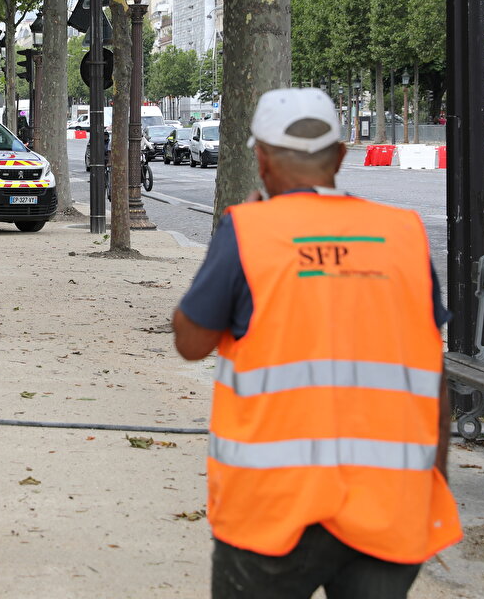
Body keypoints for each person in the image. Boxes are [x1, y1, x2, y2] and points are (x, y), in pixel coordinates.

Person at [171, 88, 460, 599]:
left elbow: (191, 342)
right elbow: (431, 370)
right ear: (341, 156)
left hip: (272, 508)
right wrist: (434, 481)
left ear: (262, 159)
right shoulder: (403, 234)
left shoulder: (248, 231)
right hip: (390, 504)